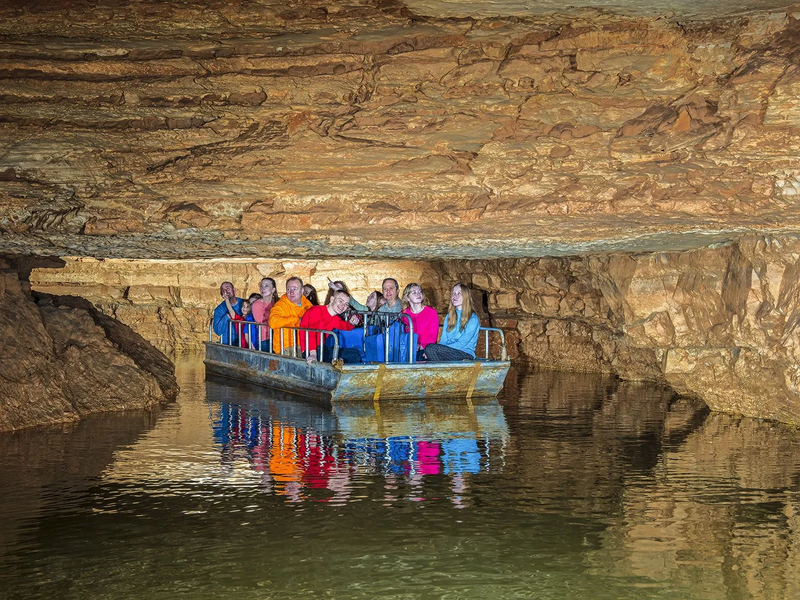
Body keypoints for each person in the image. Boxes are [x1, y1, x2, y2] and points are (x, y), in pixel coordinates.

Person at [300, 290, 361, 364]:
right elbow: (311, 334)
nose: (343, 306)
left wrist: (351, 323)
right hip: (309, 350)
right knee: (352, 357)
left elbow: (344, 326)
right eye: (340, 301)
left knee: (355, 354)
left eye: (346, 304)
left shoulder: (334, 318)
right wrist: (313, 354)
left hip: (322, 348)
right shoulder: (316, 311)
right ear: (332, 299)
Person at [424, 283, 480, 361]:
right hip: (449, 351)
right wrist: (437, 349)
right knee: (428, 350)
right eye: (453, 293)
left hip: (465, 353)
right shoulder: (449, 316)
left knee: (430, 349)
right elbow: (443, 339)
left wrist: (439, 350)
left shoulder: (472, 318)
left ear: (466, 296)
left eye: (459, 293)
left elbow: (462, 343)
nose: (455, 296)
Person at [268, 277, 312, 354]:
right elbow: (273, 321)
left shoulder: (306, 303)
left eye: (295, 289)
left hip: (304, 344)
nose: (291, 292)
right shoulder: (281, 305)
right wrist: (296, 320)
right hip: (286, 347)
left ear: (302, 291)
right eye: (288, 289)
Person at [400, 283, 439, 361]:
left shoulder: (431, 312)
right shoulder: (404, 314)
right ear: (407, 298)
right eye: (414, 292)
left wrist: (422, 346)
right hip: (409, 348)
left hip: (425, 349)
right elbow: (402, 333)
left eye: (420, 292)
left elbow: (433, 335)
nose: (418, 294)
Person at [213, 281, 244, 345]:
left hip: (243, 342)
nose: (225, 292)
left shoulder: (244, 304)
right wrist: (226, 317)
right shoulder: (219, 310)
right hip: (227, 343)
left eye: (227, 288)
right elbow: (218, 331)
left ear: (234, 290)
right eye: (223, 290)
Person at [251, 277, 278, 351]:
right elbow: (262, 322)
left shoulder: (277, 303)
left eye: (266, 286)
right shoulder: (257, 305)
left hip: (278, 337)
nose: (263, 288)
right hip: (266, 338)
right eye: (261, 286)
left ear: (273, 289)